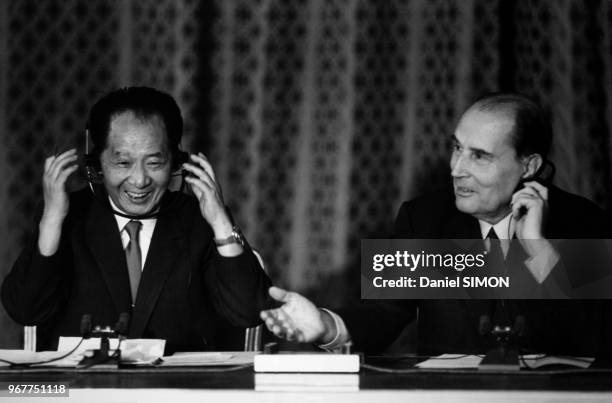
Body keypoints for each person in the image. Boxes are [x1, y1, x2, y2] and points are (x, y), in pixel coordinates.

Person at [260, 92, 610, 356]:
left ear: (529, 166)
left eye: (479, 156)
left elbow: (597, 337)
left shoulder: (584, 221)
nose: (457, 168)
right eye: (457, 148)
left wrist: (539, 250)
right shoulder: (424, 218)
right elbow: (384, 314)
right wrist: (326, 326)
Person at [2, 87, 271, 353]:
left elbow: (249, 312)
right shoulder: (65, 216)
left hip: (177, 391)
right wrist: (51, 221)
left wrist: (220, 223)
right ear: (96, 163)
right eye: (122, 163)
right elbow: (25, 309)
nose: (140, 180)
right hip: (81, 390)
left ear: (176, 161)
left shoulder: (200, 219)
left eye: (155, 163)